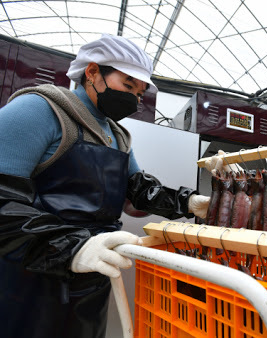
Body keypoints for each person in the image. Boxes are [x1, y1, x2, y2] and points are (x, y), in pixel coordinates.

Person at [0, 34, 210, 338]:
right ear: (92, 72)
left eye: (139, 93)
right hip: (30, 280)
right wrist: (71, 248)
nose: (134, 100)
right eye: (128, 86)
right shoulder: (41, 109)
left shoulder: (118, 136)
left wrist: (187, 203)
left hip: (92, 277)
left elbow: (136, 194)